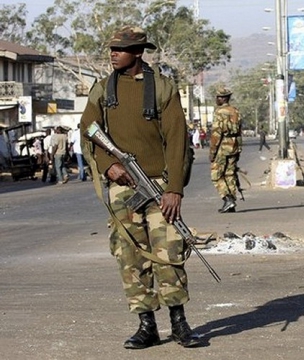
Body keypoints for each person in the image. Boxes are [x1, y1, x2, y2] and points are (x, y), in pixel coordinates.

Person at [80, 26, 199, 349]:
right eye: (112, 49)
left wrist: (174, 188)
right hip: (123, 187)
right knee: (130, 255)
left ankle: (179, 322)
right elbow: (88, 129)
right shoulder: (103, 89)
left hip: (159, 184)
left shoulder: (162, 88)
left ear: (138, 52)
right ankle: (146, 325)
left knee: (169, 251)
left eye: (120, 49)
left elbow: (177, 140)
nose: (113, 54)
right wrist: (109, 165)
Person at [210, 86, 242, 213]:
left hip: (222, 147)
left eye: (218, 97)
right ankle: (231, 203)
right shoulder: (235, 111)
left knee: (216, 175)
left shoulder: (219, 112)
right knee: (230, 174)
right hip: (234, 146)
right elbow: (239, 132)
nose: (216, 99)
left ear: (223, 98)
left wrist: (212, 151)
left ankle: (227, 199)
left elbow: (216, 133)